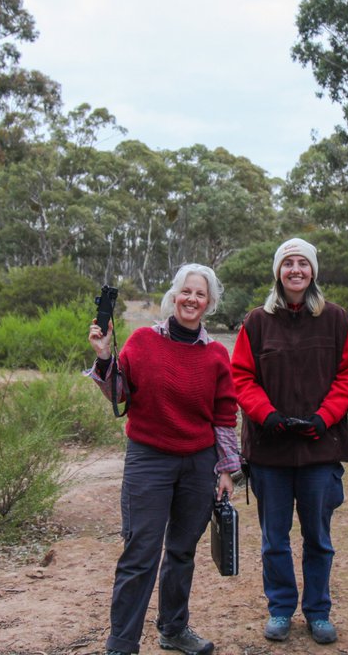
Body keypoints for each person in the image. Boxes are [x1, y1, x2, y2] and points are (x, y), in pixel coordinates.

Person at [87, 264, 239, 655]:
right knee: (141, 552)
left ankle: (173, 629)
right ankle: (122, 643)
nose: (192, 299)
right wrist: (104, 356)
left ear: (209, 304)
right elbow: (118, 393)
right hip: (149, 459)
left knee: (182, 550)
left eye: (200, 294)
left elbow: (224, 414)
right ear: (174, 295)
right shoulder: (141, 341)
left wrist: (227, 469)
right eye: (186, 291)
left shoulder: (217, 354)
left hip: (198, 462)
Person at [231, 238, 348, 646]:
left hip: (319, 448)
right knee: (274, 538)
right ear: (278, 272)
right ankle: (281, 608)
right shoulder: (256, 322)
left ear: (312, 272)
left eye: (302, 263)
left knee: (318, 538)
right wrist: (266, 415)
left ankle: (318, 611)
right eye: (287, 263)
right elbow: (241, 376)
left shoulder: (338, 319)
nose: (295, 270)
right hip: (269, 449)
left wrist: (325, 417)